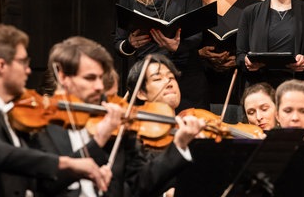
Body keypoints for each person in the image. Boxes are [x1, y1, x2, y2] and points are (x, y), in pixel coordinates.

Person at [0, 24, 111, 197]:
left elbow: (41, 183)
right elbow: (1, 155)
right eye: (23, 61)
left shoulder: (8, 111)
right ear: (1, 66)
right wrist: (67, 163)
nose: (28, 70)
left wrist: (83, 172)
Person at [32, 37, 205, 197]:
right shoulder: (39, 126)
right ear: (63, 77)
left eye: (100, 78)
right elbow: (43, 186)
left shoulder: (117, 126)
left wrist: (179, 146)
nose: (99, 86)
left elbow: (139, 185)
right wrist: (98, 141)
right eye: (90, 78)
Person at [197, 0, 260, 104]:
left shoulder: (251, 5)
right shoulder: (194, 1)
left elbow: (260, 46)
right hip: (200, 83)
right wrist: (200, 54)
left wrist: (239, 59)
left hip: (239, 85)